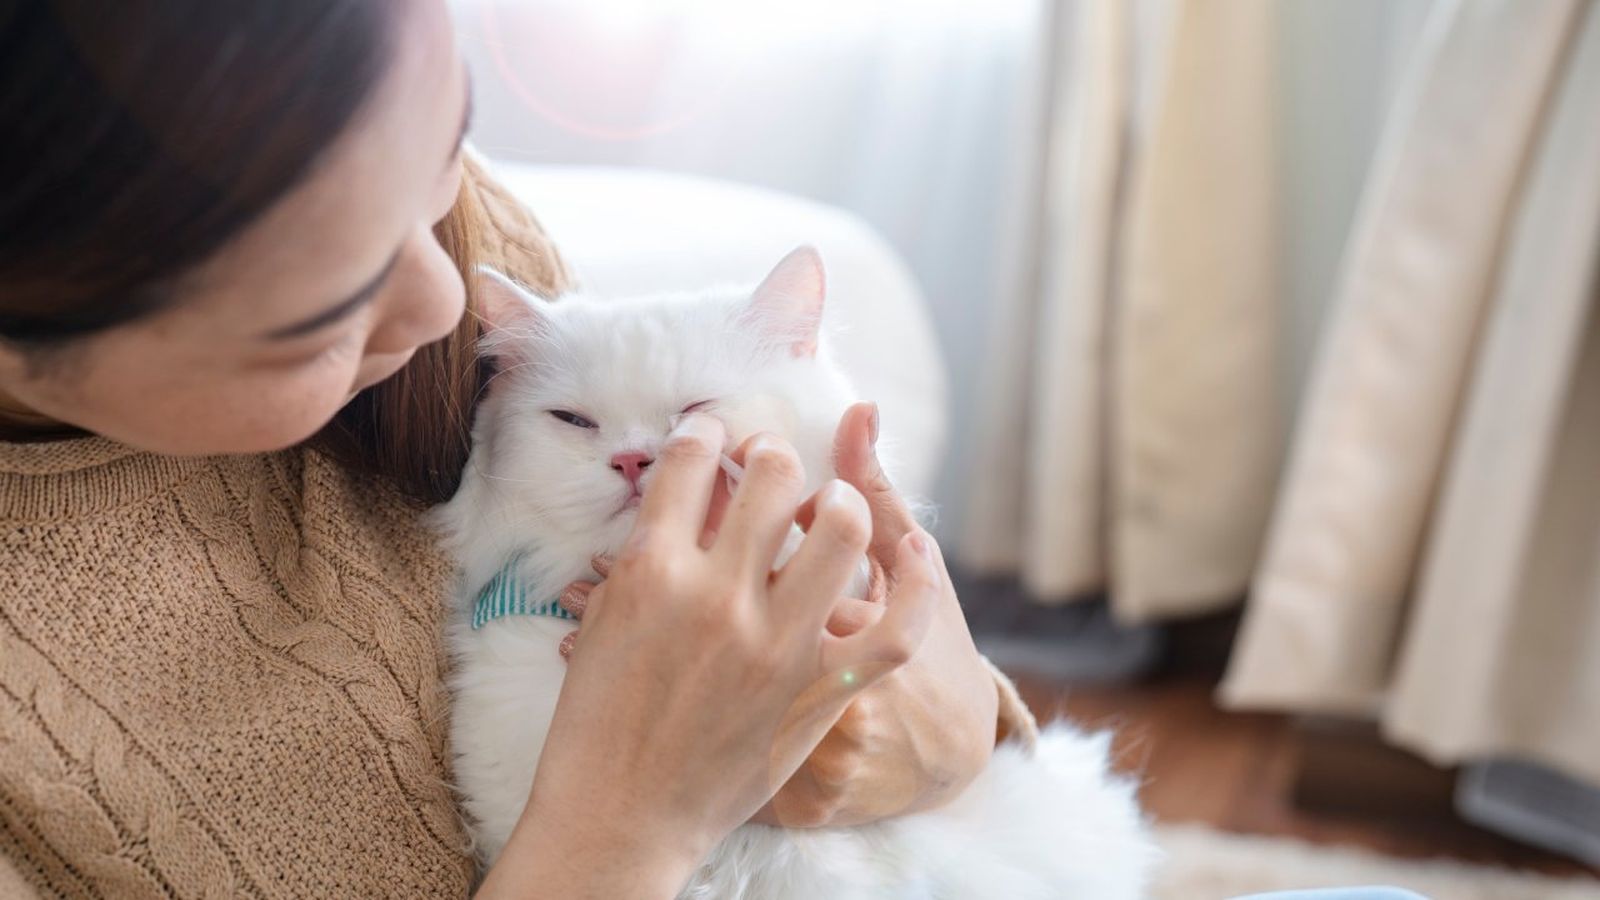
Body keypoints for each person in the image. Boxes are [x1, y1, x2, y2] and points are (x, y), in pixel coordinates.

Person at [0, 1, 1033, 896]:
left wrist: (950, 728)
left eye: (447, 149)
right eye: (323, 314)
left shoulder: (447, 229)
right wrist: (637, 822)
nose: (448, 301)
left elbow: (949, 758)